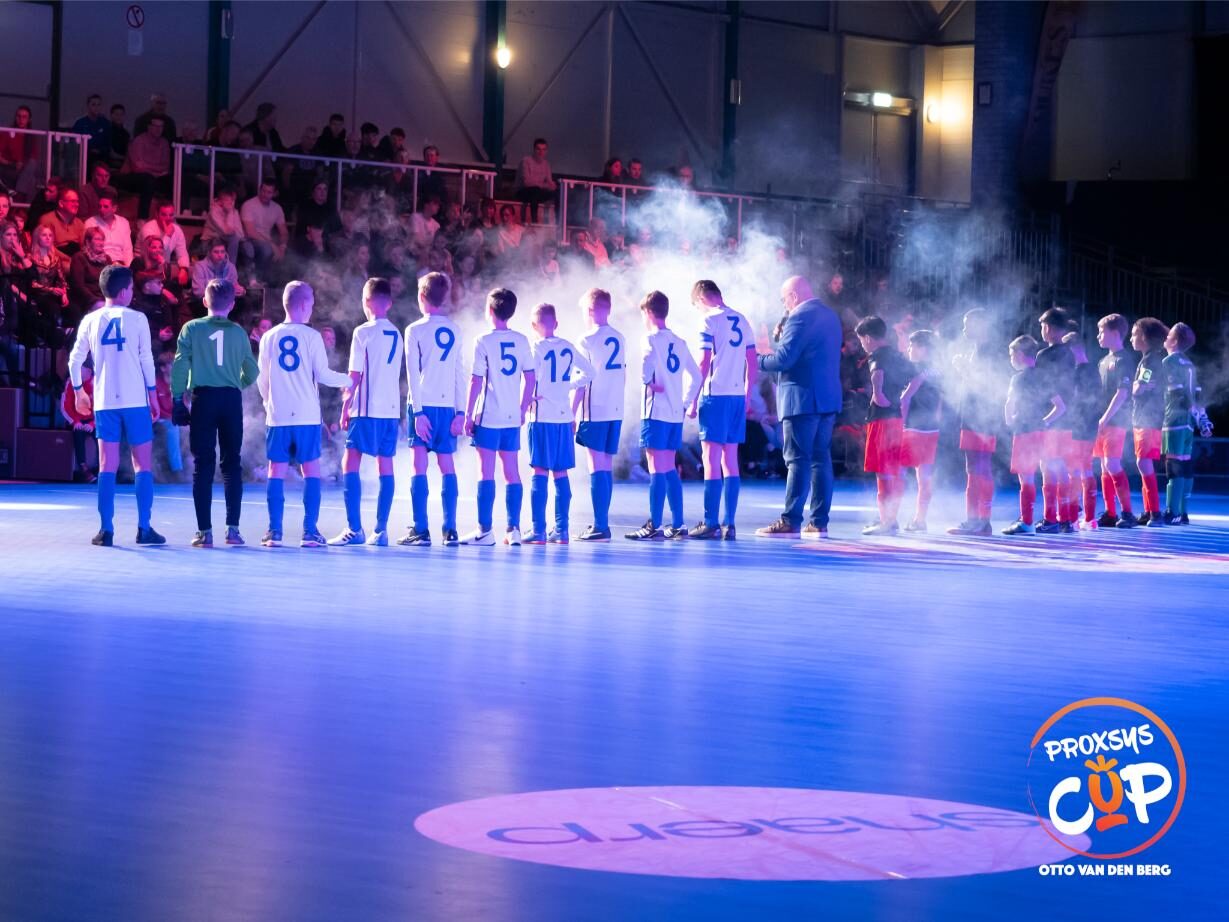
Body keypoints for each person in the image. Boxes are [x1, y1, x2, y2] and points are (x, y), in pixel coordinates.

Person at [66, 265, 165, 547]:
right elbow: (146, 359)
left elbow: (74, 360)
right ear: (123, 292)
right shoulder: (138, 318)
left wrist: (78, 391)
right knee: (142, 464)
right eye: (131, 288)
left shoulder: (90, 320)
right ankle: (144, 528)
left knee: (106, 465)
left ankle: (105, 530)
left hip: (105, 401)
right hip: (135, 400)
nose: (132, 292)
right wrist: (153, 394)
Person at [256, 281, 353, 547]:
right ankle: (309, 531)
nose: (313, 306)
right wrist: (349, 380)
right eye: (311, 302)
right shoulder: (311, 337)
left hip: (278, 415)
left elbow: (262, 379)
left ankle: (274, 532)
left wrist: (268, 403)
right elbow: (323, 375)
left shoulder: (269, 337)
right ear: (302, 305)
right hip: (306, 416)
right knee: (310, 469)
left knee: (276, 470)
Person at [754, 275, 843, 539]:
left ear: (793, 296)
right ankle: (818, 522)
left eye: (784, 300)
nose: (784, 306)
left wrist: (757, 358)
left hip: (801, 399)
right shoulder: (830, 315)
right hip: (827, 398)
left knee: (797, 460)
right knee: (820, 459)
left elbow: (784, 359)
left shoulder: (799, 316)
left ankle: (790, 521)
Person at [171, 278, 258, 546]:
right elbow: (252, 371)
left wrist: (178, 399)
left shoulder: (191, 328)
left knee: (203, 464)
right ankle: (233, 530)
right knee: (232, 463)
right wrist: (236, 383)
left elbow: (180, 365)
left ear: (204, 301)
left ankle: (204, 532)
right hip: (230, 399)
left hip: (204, 398)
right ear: (232, 305)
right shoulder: (238, 332)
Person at [328, 278, 404, 547]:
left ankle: (354, 528)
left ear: (367, 301)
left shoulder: (363, 332)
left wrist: (345, 406)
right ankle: (381, 530)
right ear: (389, 303)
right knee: (386, 465)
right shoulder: (397, 333)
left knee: (350, 462)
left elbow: (355, 375)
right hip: (390, 410)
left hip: (367, 408)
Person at [625, 290, 701, 541]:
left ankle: (654, 524)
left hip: (655, 411)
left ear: (648, 313)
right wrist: (685, 403)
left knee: (655, 466)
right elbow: (697, 376)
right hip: (674, 413)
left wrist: (646, 380)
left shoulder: (649, 339)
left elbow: (645, 365)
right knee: (668, 466)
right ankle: (678, 523)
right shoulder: (679, 341)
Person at [461, 287, 535, 547]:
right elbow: (530, 378)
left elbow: (476, 380)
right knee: (512, 472)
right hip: (511, 416)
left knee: (486, 472)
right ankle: (513, 529)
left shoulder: (483, 340)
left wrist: (467, 414)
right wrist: (522, 408)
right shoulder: (522, 340)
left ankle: (484, 530)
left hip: (489, 416)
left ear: (490, 310)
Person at [686, 279, 755, 540]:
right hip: (736, 396)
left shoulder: (708, 320)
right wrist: (747, 395)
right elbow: (752, 362)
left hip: (715, 395)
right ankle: (730, 523)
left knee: (711, 459)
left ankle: (710, 521)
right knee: (730, 459)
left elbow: (703, 362)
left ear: (701, 298)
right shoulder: (742, 319)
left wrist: (692, 398)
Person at [402, 272, 466, 547]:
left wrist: (418, 413)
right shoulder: (455, 329)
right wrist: (461, 412)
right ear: (445, 297)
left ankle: (420, 529)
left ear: (421, 296)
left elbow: (412, 373)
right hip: (447, 406)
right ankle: (450, 530)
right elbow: (459, 373)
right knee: (446, 464)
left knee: (419, 465)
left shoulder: (414, 330)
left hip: (423, 404)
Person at [526, 302, 591, 544]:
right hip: (564, 417)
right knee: (561, 472)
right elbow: (590, 373)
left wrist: (526, 399)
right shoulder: (568, 347)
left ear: (533, 325)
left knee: (539, 471)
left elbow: (529, 379)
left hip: (541, 416)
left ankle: (538, 530)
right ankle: (562, 530)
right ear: (556, 323)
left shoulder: (534, 347)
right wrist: (568, 386)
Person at [573, 287, 626, 541]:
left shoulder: (586, 339)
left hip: (594, 409)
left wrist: (572, 411)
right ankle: (602, 523)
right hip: (615, 408)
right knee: (606, 465)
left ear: (590, 310)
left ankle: (600, 525)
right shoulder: (620, 337)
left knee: (596, 466)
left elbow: (582, 380)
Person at [854, 316, 910, 535]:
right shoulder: (898, 355)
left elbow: (877, 374)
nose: (862, 345)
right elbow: (916, 377)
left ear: (868, 338)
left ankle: (886, 522)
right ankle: (891, 518)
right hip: (897, 419)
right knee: (893, 469)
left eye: (861, 341)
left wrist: (877, 395)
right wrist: (904, 400)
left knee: (882, 470)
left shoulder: (876, 355)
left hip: (882, 419)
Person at [947, 308, 1000, 536]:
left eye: (967, 324)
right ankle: (973, 519)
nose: (964, 329)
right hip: (971, 416)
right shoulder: (975, 349)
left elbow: (986, 385)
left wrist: (963, 369)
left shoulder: (990, 351)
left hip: (983, 417)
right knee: (972, 468)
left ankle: (982, 521)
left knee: (981, 466)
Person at [1001, 335, 1058, 536]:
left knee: (1026, 477)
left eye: (1011, 354)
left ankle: (1026, 522)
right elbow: (1060, 406)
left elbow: (1009, 404)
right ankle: (1051, 519)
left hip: (1025, 431)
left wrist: (1009, 420)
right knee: (1047, 473)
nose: (1010, 359)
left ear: (1019, 354)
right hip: (1043, 432)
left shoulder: (1018, 378)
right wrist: (1045, 422)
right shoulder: (1044, 376)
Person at [1161, 322, 1208, 525]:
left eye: (1169, 335)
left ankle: (1171, 511)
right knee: (1185, 463)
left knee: (1173, 464)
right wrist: (1201, 418)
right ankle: (1183, 512)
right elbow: (1197, 393)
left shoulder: (1168, 361)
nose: (1165, 338)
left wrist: (1192, 411)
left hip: (1175, 418)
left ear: (1175, 341)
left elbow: (1178, 392)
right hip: (1188, 423)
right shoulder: (1190, 364)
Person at [1094, 313, 1138, 528]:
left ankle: (1128, 513)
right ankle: (1110, 512)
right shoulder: (1103, 361)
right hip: (1102, 421)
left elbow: (1122, 393)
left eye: (1101, 332)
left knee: (1112, 463)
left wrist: (1105, 417)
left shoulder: (1123, 360)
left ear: (1114, 333)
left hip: (1116, 420)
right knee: (1104, 466)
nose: (1098, 336)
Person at [1034, 307, 1076, 533]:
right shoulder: (1069, 354)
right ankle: (1066, 518)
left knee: (1047, 467)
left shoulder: (1043, 356)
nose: (1042, 330)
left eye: (1043, 326)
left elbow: (1041, 386)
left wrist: (1044, 417)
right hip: (1067, 420)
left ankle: (1050, 518)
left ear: (1049, 328)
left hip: (1049, 418)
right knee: (1061, 468)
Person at [898, 329, 941, 532]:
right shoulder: (937, 371)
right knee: (924, 476)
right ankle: (920, 519)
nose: (909, 349)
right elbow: (940, 401)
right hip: (931, 429)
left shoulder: (917, 371)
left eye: (912, 345)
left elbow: (905, 398)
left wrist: (901, 424)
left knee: (898, 472)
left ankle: (889, 516)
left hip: (913, 428)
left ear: (923, 348)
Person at [1129, 317, 1168, 526]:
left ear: (1144, 337)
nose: (1131, 338)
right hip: (1146, 418)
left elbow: (1138, 389)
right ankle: (1148, 511)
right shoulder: (1151, 359)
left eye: (1134, 334)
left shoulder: (1149, 361)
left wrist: (1137, 387)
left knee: (1143, 462)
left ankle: (1154, 512)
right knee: (1144, 462)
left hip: (1148, 418)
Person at [1063, 327, 1102, 530]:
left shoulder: (1080, 372)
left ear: (1073, 349)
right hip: (1089, 425)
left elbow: (1078, 400)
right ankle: (1089, 518)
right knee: (1085, 470)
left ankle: (1074, 518)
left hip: (1078, 426)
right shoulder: (1093, 370)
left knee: (1075, 472)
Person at [240, 180, 288, 280]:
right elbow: (250, 232)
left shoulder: (277, 208)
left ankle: (271, 282)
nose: (265, 194)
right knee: (266, 249)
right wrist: (272, 245)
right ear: (259, 190)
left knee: (289, 255)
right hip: (249, 239)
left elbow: (284, 232)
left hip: (266, 240)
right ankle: (257, 280)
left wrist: (282, 247)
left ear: (274, 194)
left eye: (269, 192)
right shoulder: (248, 205)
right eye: (263, 191)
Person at [60, 363, 98, 483]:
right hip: (77, 420)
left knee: (102, 436)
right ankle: (84, 468)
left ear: (89, 371)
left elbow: (103, 408)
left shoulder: (97, 383)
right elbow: (65, 406)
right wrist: (75, 422)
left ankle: (102, 467)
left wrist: (93, 423)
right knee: (78, 434)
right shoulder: (72, 382)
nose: (79, 372)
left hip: (94, 420)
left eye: (82, 369)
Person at [82, 186, 131, 266]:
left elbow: (127, 249)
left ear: (114, 208)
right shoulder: (90, 222)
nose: (101, 209)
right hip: (101, 262)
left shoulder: (124, 223)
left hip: (121, 263)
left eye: (105, 207)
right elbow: (87, 249)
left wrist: (128, 267)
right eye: (100, 206)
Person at [140, 201, 191, 275]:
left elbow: (182, 253)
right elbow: (155, 253)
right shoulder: (148, 228)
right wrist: (168, 235)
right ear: (157, 214)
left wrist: (184, 269)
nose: (168, 218)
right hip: (144, 267)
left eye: (171, 215)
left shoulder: (177, 230)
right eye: (164, 215)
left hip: (163, 267)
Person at [202, 186, 246, 266]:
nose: (231, 203)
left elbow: (241, 234)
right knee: (227, 241)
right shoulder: (214, 211)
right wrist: (229, 212)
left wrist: (230, 212)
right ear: (220, 201)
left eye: (232, 200)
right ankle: (230, 268)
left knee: (247, 247)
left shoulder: (234, 211)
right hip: (210, 242)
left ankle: (246, 272)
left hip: (227, 240)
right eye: (227, 200)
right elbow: (226, 231)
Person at [515, 138, 557, 224]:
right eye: (538, 149)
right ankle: (534, 221)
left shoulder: (546, 164)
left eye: (544, 150)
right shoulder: (526, 161)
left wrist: (553, 186)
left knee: (558, 193)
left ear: (546, 151)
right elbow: (527, 182)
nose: (541, 152)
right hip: (522, 191)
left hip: (538, 192)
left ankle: (559, 221)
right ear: (534, 150)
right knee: (535, 190)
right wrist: (543, 185)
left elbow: (550, 183)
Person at [36, 187, 84, 256]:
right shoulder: (47, 220)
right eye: (73, 201)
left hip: (76, 259)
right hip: (56, 259)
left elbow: (84, 247)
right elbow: (47, 248)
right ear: (61, 203)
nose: (77, 204)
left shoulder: (79, 223)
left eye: (77, 201)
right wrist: (69, 260)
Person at [72, 94, 111, 162]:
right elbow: (74, 143)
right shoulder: (80, 123)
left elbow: (108, 144)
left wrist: (100, 151)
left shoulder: (105, 123)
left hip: (101, 158)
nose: (96, 107)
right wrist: (89, 150)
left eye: (99, 105)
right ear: (88, 106)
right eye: (93, 104)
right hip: (83, 158)